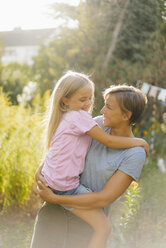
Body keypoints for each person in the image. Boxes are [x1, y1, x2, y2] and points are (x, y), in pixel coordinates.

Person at [31, 78, 148, 248]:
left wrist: (56, 198)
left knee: (103, 229)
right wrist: (40, 171)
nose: (101, 110)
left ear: (126, 115)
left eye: (108, 107)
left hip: (83, 226)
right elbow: (63, 148)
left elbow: (104, 199)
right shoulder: (99, 123)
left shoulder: (135, 153)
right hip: (53, 215)